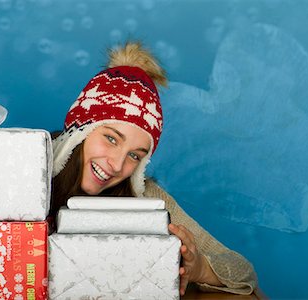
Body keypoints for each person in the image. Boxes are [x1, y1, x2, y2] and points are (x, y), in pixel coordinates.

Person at [50, 41, 259, 296]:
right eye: (111, 138)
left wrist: (200, 267)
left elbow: (242, 270)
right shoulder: (25, 172)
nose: (116, 165)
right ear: (80, 131)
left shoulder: (148, 198)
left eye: (135, 156)